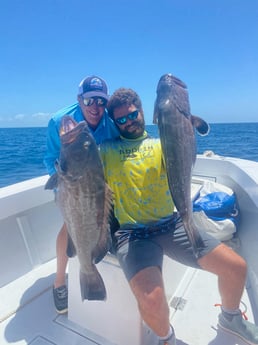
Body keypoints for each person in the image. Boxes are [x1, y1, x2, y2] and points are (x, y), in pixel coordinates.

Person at [100, 87, 258, 345]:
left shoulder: (161, 143)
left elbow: (184, 151)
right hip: (132, 234)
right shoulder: (105, 150)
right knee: (152, 301)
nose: (129, 122)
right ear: (114, 122)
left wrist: (182, 121)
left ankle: (231, 319)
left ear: (143, 111)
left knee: (236, 268)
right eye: (121, 120)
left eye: (132, 115)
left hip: (171, 224)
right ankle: (167, 339)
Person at [44, 75, 119, 314]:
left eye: (100, 101)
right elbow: (49, 159)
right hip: (69, 184)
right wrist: (65, 187)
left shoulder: (111, 124)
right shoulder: (59, 121)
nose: (95, 107)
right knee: (70, 224)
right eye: (89, 101)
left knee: (105, 220)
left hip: (100, 185)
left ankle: (102, 249)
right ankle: (59, 282)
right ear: (79, 100)